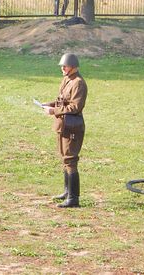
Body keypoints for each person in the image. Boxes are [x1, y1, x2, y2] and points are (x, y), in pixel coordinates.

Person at [42, 53, 87, 209]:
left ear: (73, 67)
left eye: (65, 66)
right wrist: (48, 104)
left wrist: (53, 111)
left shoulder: (79, 83)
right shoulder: (67, 80)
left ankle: (74, 198)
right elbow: (62, 100)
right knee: (64, 158)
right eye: (62, 66)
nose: (62, 68)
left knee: (70, 159)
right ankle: (67, 192)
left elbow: (75, 107)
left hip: (73, 125)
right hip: (63, 125)